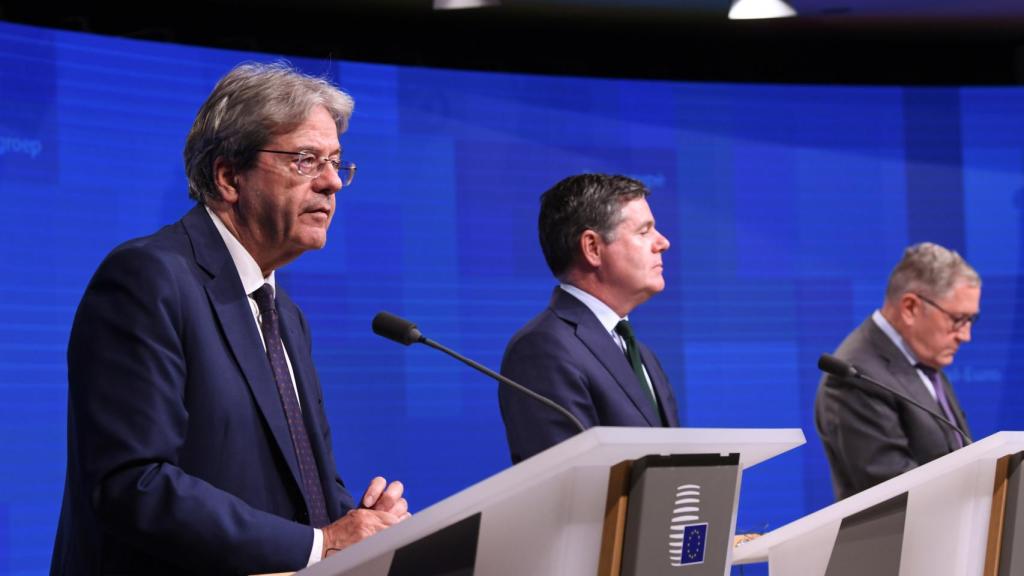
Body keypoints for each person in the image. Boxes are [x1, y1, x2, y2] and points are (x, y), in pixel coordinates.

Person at [51, 62, 409, 576]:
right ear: (228, 176)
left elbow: (302, 481)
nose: (333, 183)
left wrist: (363, 523)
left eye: (336, 162)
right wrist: (320, 544)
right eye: (306, 160)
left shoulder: (284, 311)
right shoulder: (148, 278)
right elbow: (134, 482)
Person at [499, 173, 681, 464]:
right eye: (644, 231)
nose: (663, 242)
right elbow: (568, 484)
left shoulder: (640, 353)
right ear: (593, 248)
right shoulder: (542, 350)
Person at [815, 242, 980, 500]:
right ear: (911, 308)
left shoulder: (922, 355)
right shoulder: (855, 376)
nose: (966, 335)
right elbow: (893, 489)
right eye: (958, 319)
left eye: (972, 320)